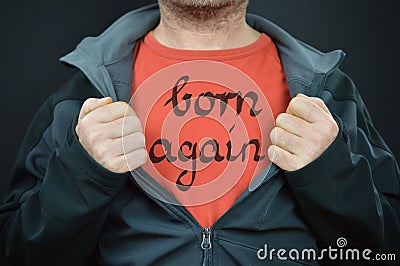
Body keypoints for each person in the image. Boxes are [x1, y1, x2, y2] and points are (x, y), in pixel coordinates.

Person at [0, 1, 399, 265]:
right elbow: (17, 253)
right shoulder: (81, 98)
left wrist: (330, 174)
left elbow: (383, 251)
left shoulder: (327, 92)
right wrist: (82, 174)